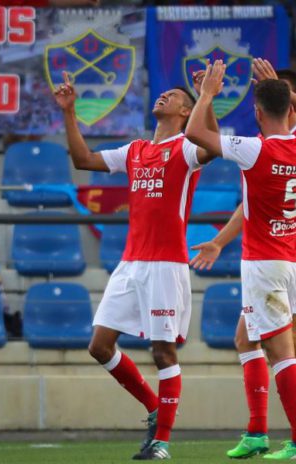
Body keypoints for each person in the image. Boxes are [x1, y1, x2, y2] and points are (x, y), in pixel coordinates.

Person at [190, 65, 296, 455]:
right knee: (245, 338)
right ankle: (258, 432)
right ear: (290, 105)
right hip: (292, 256)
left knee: (285, 350)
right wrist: (219, 242)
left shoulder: (256, 149)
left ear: (258, 112)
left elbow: (197, 134)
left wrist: (207, 94)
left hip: (271, 261)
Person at [54, 71, 217, 460]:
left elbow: (211, 145)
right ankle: (155, 407)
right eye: (164, 92)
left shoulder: (186, 149)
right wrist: (69, 112)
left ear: (186, 111)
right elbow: (83, 159)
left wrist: (206, 97)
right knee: (99, 346)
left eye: (173, 95)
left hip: (165, 265)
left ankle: (162, 442)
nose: (163, 95)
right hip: (130, 265)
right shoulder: (135, 150)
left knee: (163, 353)